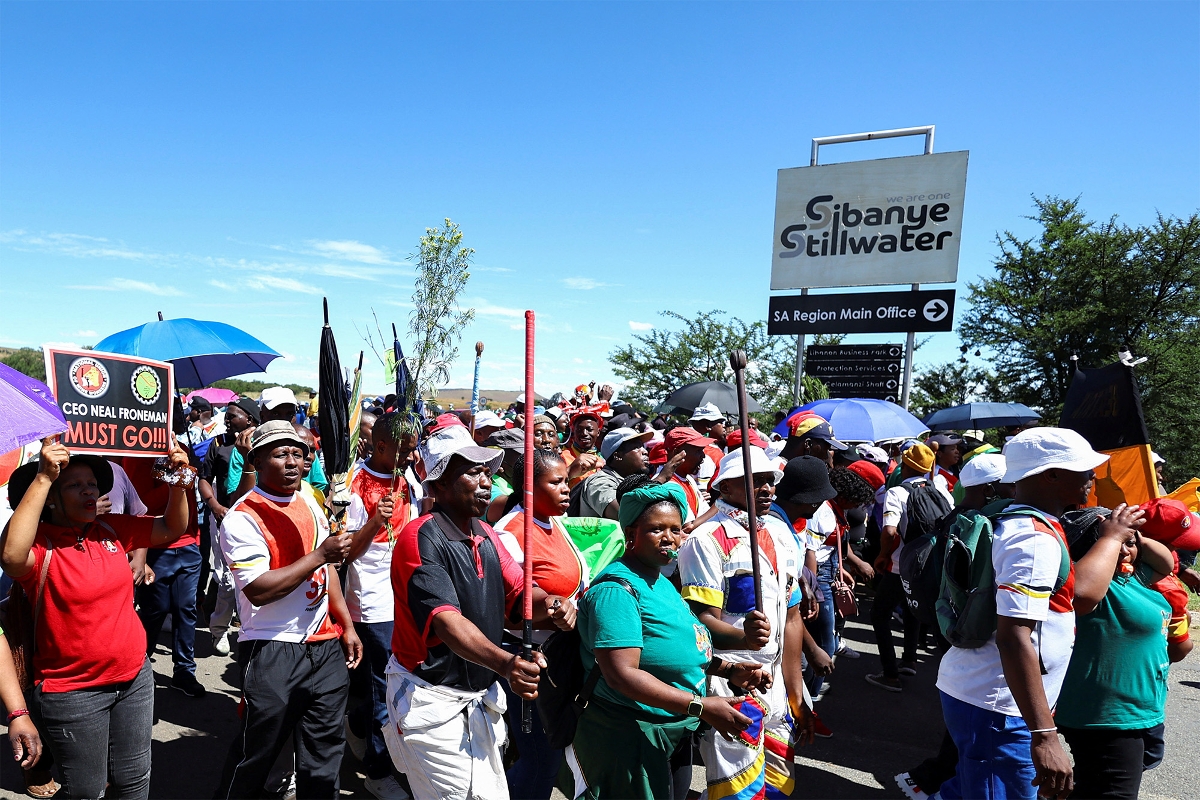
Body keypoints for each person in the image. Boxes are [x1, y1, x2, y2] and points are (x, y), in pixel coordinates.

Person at [1, 437, 191, 799]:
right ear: (51, 498)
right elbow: (11, 556)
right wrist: (43, 477)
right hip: (72, 692)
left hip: (135, 678)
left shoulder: (112, 529)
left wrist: (178, 481)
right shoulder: (39, 545)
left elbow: (171, 527)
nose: (89, 491)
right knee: (86, 791)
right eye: (74, 485)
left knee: (134, 780)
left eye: (92, 484)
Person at [384, 424, 563, 800]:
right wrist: (506, 663)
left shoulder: (486, 533)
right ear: (439, 483)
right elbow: (448, 624)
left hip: (477, 696)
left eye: (487, 472)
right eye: (472, 471)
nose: (486, 481)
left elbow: (520, 594)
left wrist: (555, 606)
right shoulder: (420, 537)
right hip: (430, 699)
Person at [565, 477, 769, 799]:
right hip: (629, 735)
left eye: (676, 529)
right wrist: (702, 706)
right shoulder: (616, 591)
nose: (669, 539)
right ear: (631, 534)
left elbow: (679, 648)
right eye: (657, 529)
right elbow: (622, 674)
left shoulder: (660, 581)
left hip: (673, 728)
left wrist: (730, 669)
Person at [936, 428, 1109, 800]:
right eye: (1083, 470)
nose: (1092, 477)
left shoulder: (1017, 520)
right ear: (1051, 475)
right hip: (999, 709)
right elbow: (1014, 636)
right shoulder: (1033, 539)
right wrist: (1044, 735)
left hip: (987, 698)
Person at [214, 421, 363, 799]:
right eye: (281, 454)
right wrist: (319, 555)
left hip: (324, 648)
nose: (293, 462)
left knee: (324, 756)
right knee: (256, 754)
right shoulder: (243, 516)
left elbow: (327, 570)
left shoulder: (309, 501)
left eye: (298, 453)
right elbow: (260, 590)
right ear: (258, 461)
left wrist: (345, 624)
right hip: (271, 648)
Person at [679, 447, 813, 799]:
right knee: (738, 785)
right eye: (755, 481)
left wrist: (796, 692)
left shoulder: (783, 535)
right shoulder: (705, 540)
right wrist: (743, 637)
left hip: (778, 686)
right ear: (725, 488)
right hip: (733, 682)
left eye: (770, 481)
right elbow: (700, 623)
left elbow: (793, 616)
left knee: (779, 781)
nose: (767, 489)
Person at [1055, 501, 1177, 800]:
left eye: (1131, 543)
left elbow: (1167, 564)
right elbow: (1081, 593)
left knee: (1099, 785)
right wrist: (1113, 538)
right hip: (1105, 715)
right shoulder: (1095, 582)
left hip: (1141, 709)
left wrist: (1132, 535)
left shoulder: (1133, 577)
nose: (1126, 550)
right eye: (1117, 543)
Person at [493, 449, 584, 799]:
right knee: (540, 757)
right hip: (529, 656)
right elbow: (512, 597)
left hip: (560, 654)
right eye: (556, 482)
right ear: (529, 489)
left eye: (566, 481)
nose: (566, 489)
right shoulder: (511, 532)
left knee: (552, 753)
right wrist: (555, 605)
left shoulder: (553, 520)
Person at [343, 412, 420, 800]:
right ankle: (376, 770)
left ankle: (356, 725)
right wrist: (375, 521)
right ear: (381, 445)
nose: (410, 457)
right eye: (404, 451)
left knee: (391, 683)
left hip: (401, 596)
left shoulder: (404, 479)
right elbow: (347, 553)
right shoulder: (355, 485)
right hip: (371, 603)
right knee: (384, 688)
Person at [124, 451, 206, 698]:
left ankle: (185, 672)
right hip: (156, 546)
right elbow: (140, 503)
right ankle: (140, 665)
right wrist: (176, 482)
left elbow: (190, 495)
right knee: (155, 609)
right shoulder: (137, 455)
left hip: (188, 545)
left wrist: (194, 537)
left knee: (186, 609)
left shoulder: (179, 449)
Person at [866, 443, 931, 692]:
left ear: (904, 465)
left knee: (880, 614)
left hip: (899, 566)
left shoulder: (897, 493)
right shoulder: (941, 492)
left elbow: (890, 530)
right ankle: (910, 660)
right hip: (925, 567)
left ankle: (890, 674)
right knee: (913, 610)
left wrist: (883, 555)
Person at [198, 397, 259, 657]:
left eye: (233, 415)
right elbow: (204, 479)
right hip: (223, 517)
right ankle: (219, 630)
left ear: (250, 421)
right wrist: (214, 506)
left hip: (255, 520)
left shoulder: (262, 446)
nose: (227, 419)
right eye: (227, 415)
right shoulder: (218, 444)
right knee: (226, 578)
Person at [576, 427, 653, 518]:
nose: (645, 452)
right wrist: (661, 478)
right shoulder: (599, 481)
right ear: (618, 456)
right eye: (636, 447)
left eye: (642, 446)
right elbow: (625, 515)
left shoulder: (633, 480)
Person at [656, 426, 714, 522]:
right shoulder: (667, 485)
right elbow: (688, 527)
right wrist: (719, 505)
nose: (703, 456)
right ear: (677, 453)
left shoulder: (688, 479)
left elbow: (704, 512)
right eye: (698, 451)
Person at [561, 410, 604, 487]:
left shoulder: (602, 461)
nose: (584, 433)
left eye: (589, 429)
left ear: (598, 432)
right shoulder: (562, 457)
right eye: (579, 430)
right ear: (574, 431)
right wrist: (570, 471)